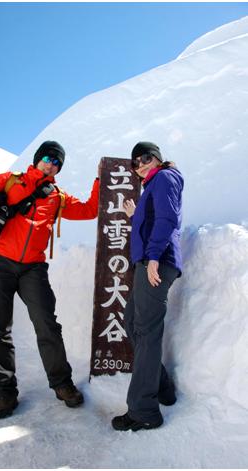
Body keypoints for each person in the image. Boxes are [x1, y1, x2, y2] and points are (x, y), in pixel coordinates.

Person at [0, 141, 99, 419]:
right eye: (48, 158)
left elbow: (88, 210)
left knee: (47, 325)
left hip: (33, 269)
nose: (51, 164)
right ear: (37, 159)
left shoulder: (57, 197)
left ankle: (62, 384)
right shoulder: (11, 182)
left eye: (57, 162)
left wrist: (100, 178)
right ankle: (5, 392)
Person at [112, 141, 184, 432]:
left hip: (157, 263)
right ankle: (162, 387)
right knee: (134, 324)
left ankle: (144, 411)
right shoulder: (152, 185)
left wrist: (153, 257)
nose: (139, 165)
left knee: (146, 331)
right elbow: (154, 220)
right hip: (148, 263)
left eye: (145, 158)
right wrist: (135, 215)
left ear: (157, 158)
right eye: (135, 163)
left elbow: (167, 219)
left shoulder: (165, 178)